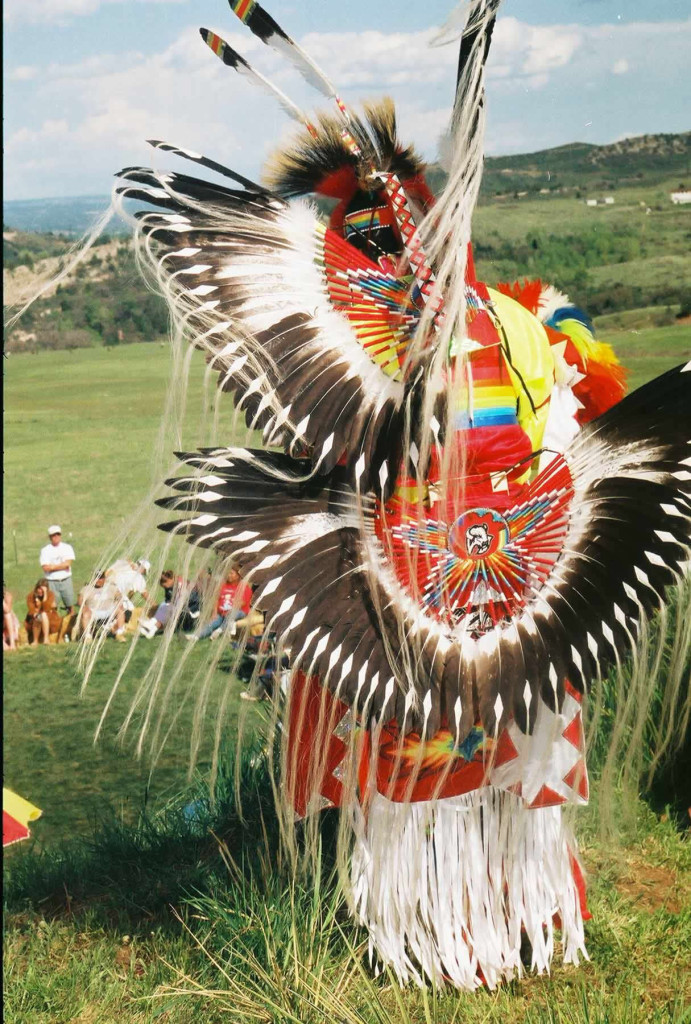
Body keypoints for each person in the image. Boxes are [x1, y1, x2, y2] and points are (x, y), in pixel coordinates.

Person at [115, 0, 690, 992]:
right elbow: (574, 403)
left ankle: (428, 933)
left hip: (407, 594)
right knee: (514, 753)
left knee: (425, 767)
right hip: (529, 582)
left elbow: (347, 443)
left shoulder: (400, 323)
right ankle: (521, 916)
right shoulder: (521, 318)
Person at [185, 567, 252, 641]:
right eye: (228, 573)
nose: (229, 575)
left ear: (238, 575)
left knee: (231, 614)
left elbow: (242, 602)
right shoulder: (223, 586)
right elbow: (216, 599)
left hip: (238, 612)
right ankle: (196, 636)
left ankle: (219, 630)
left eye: (231, 573)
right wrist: (214, 613)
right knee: (212, 624)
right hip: (222, 613)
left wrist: (229, 609)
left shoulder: (244, 587)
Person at [78, 572, 127, 642]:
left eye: (101, 578)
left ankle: (119, 633)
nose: (98, 580)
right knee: (85, 614)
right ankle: (87, 636)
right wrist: (84, 606)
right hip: (94, 611)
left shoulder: (111, 587)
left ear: (104, 579)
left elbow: (119, 596)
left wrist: (119, 601)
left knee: (120, 610)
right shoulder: (86, 589)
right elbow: (80, 600)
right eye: (97, 578)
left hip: (109, 610)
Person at [39, 525, 75, 615]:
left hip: (66, 579)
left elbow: (68, 564)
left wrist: (52, 567)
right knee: (52, 606)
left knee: (70, 605)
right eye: (53, 535)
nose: (56, 537)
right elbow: (45, 567)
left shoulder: (67, 548)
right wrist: (61, 566)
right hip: (52, 581)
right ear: (50, 537)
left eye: (58, 534)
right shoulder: (45, 550)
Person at [25, 579, 61, 645]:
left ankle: (46, 639)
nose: (41, 591)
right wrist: (37, 609)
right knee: (38, 617)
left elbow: (46, 608)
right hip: (35, 618)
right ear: (36, 588)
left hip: (49, 618)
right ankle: (35, 640)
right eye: (40, 589)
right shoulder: (31, 596)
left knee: (43, 614)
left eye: (43, 590)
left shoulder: (50, 594)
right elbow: (31, 609)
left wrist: (45, 596)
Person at [3, 586, 20, 651]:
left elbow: (7, 610)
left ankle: (12, 643)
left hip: (7, 624)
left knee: (7, 614)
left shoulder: (7, 595)